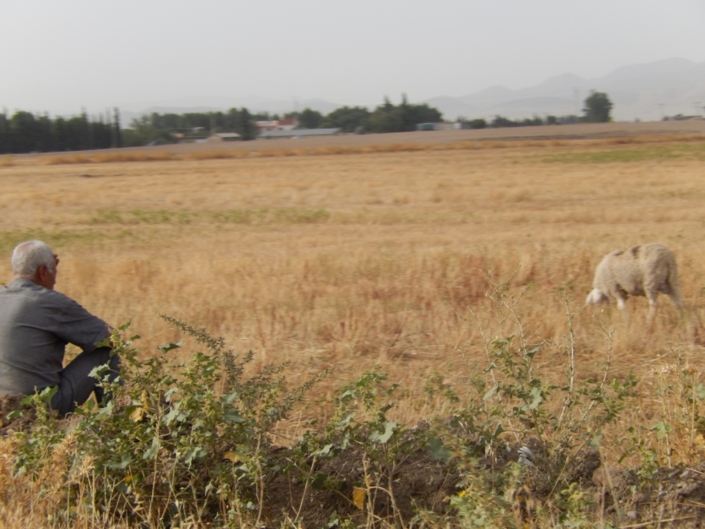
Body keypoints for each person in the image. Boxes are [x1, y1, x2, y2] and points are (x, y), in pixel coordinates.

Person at [0, 240, 120, 417]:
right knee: (105, 354)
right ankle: (120, 424)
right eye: (53, 271)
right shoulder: (48, 301)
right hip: (37, 409)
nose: (55, 279)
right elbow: (111, 338)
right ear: (42, 272)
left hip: (4, 409)